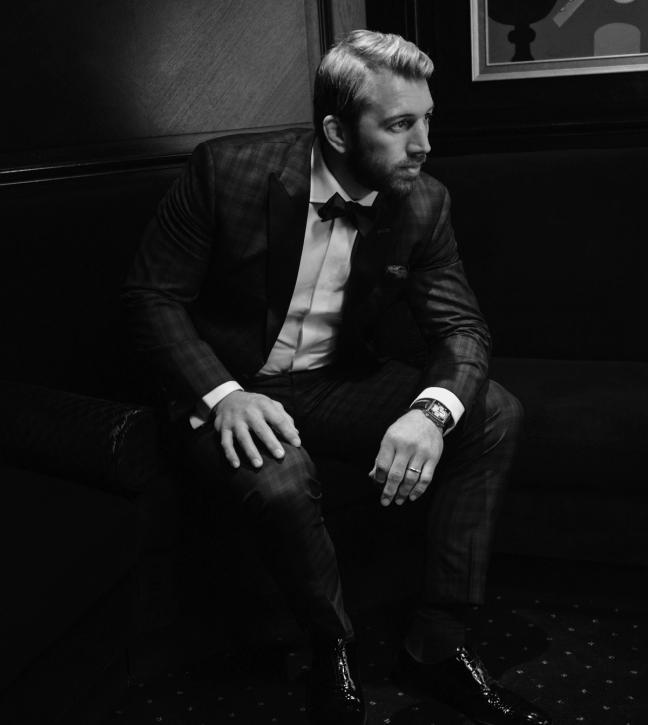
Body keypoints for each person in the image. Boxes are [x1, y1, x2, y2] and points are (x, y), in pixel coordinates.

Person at [122, 29, 551, 725]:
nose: (424, 144)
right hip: (232, 386)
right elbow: (150, 297)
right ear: (338, 131)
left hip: (334, 382)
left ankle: (436, 645)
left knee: (493, 412)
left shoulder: (424, 201)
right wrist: (224, 395)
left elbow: (462, 329)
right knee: (280, 476)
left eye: (427, 120)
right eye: (400, 125)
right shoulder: (226, 171)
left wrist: (431, 414)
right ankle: (331, 648)